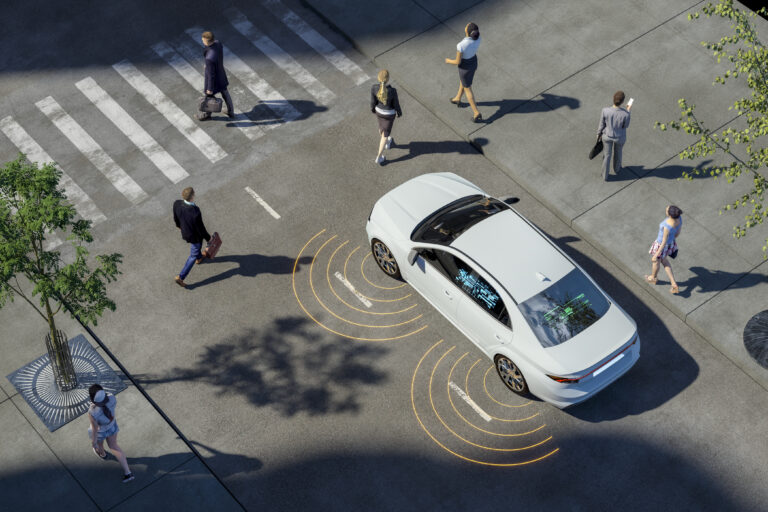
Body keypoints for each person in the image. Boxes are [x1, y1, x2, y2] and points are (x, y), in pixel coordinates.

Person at [87, 384, 134, 483]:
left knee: (100, 445)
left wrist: (93, 442)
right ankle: (128, 472)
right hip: (112, 426)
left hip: (101, 431)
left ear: (92, 398)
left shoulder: (92, 411)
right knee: (114, 446)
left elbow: (95, 428)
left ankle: (103, 454)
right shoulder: (112, 398)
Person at [173, 187, 211, 288]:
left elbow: (176, 217)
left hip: (185, 232)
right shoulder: (195, 211)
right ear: (192, 197)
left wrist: (178, 226)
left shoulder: (177, 203)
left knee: (196, 251)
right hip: (194, 236)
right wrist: (208, 239)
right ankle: (180, 277)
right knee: (192, 256)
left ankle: (199, 257)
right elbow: (201, 228)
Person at [445, 22, 482, 123]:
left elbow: (458, 61)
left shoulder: (461, 45)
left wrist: (448, 61)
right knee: (465, 82)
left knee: (468, 89)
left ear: (467, 31)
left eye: (466, 26)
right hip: (473, 63)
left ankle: (476, 112)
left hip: (465, 67)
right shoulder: (478, 38)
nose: (465, 26)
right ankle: (457, 98)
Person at [645, 205, 683, 294]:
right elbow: (677, 233)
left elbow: (663, 241)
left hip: (661, 245)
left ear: (670, 214)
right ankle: (674, 284)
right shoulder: (679, 218)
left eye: (668, 209)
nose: (666, 208)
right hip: (670, 243)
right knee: (664, 261)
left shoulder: (667, 226)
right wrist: (672, 240)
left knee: (656, 261)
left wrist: (656, 254)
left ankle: (653, 278)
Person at [197, 30, 234, 121]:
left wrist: (209, 88)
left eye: (203, 40)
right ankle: (230, 111)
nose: (202, 41)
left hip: (214, 80)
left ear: (207, 41)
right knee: (225, 93)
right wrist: (209, 65)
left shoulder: (209, 58)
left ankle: (206, 114)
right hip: (221, 74)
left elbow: (211, 75)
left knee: (209, 97)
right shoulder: (218, 43)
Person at [597, 91, 632, 180]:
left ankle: (605, 175)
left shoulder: (605, 110)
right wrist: (628, 111)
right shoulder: (625, 114)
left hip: (607, 136)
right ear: (623, 101)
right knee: (618, 152)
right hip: (619, 137)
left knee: (607, 155)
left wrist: (598, 134)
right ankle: (617, 169)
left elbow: (601, 124)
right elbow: (626, 126)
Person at [370, 69, 402, 165]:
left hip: (378, 112)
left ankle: (388, 141)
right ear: (388, 79)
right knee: (384, 135)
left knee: (381, 127)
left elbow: (372, 102)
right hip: (389, 115)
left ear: (378, 78)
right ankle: (379, 157)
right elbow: (396, 104)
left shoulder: (374, 88)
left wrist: (373, 109)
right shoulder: (392, 91)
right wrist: (399, 113)